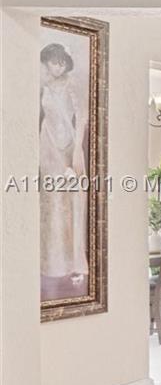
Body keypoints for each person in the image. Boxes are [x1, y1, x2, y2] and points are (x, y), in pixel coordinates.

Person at [40, 41, 88, 301]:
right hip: (46, 145)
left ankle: (73, 261)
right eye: (53, 62)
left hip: (67, 145)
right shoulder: (43, 85)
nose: (57, 67)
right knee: (50, 202)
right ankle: (51, 261)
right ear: (46, 62)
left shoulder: (71, 85)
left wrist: (77, 149)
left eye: (61, 63)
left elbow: (81, 117)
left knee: (69, 203)